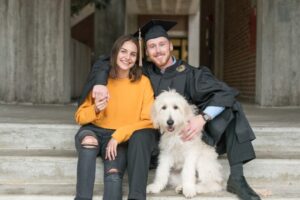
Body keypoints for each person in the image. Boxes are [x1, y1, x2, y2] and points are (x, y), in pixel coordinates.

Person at [82, 20, 261, 200]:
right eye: (152, 46)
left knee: (231, 107)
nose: (158, 50)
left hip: (183, 137)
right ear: (146, 52)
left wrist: (202, 118)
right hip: (153, 139)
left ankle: (237, 177)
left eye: (161, 44)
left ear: (170, 46)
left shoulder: (190, 74)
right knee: (141, 133)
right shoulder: (143, 72)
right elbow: (107, 61)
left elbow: (224, 93)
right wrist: (99, 82)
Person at [74, 34, 158, 200]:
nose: (127, 57)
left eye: (133, 54)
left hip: (118, 137)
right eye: (123, 51)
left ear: (137, 58)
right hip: (94, 130)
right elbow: (80, 117)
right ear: (115, 53)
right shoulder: (101, 81)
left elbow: (148, 120)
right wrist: (96, 109)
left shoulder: (143, 83)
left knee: (113, 174)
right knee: (89, 142)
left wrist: (118, 136)